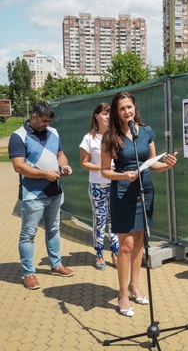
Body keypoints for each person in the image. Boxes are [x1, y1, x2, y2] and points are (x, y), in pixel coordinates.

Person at [101, 91, 178, 317]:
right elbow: (105, 171)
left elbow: (152, 164)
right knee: (126, 245)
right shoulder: (111, 136)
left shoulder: (146, 131)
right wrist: (124, 176)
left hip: (145, 190)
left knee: (140, 242)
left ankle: (135, 286)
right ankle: (122, 294)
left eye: (130, 107)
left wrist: (167, 165)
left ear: (135, 107)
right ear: (117, 112)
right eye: (122, 108)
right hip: (123, 191)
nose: (127, 111)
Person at [8, 101, 75, 290]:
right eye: (44, 121)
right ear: (34, 116)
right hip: (33, 195)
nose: (47, 124)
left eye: (49, 121)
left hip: (55, 192)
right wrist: (44, 174)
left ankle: (56, 265)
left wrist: (64, 165)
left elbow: (60, 154)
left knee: (54, 229)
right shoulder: (18, 137)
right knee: (28, 234)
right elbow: (19, 166)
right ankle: (28, 274)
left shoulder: (53, 132)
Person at [79, 102, 119, 270]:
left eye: (109, 114)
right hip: (97, 185)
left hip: (115, 183)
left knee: (115, 220)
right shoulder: (89, 138)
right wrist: (103, 167)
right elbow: (84, 163)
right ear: (96, 116)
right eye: (104, 114)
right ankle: (99, 253)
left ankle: (116, 252)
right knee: (100, 219)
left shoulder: (116, 136)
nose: (107, 117)